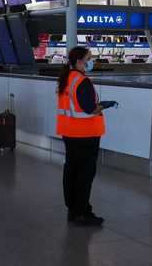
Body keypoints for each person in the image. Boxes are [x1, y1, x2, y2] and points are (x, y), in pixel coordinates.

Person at [56, 46, 105, 226]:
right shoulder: (82, 81)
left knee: (71, 171)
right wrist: (103, 106)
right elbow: (89, 108)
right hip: (86, 134)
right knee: (85, 175)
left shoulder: (67, 78)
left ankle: (73, 209)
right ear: (79, 61)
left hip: (69, 132)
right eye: (89, 58)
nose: (91, 61)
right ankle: (82, 211)